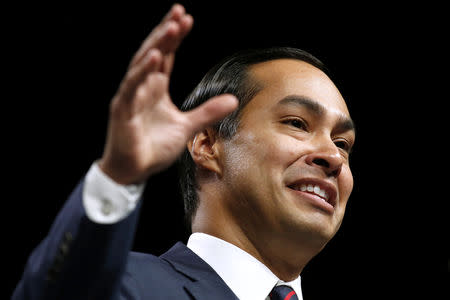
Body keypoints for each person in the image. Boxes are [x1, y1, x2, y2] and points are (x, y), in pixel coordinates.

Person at [12, 3, 355, 300]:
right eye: (297, 123)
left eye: (343, 144)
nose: (333, 157)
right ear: (207, 145)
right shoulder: (125, 286)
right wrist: (118, 175)